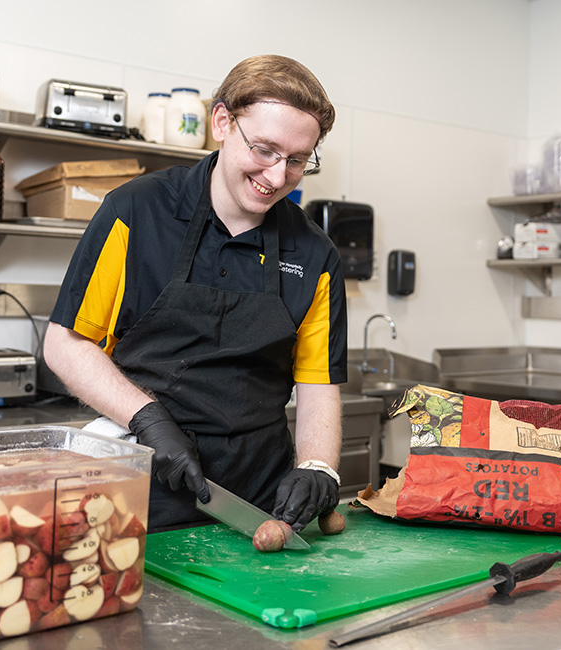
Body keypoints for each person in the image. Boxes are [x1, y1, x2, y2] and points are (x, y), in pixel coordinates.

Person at [44, 54, 348, 534]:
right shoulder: (135, 211)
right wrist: (147, 419)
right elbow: (65, 342)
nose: (275, 177)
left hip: (255, 502)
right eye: (265, 150)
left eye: (295, 161)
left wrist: (317, 467)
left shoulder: (315, 254)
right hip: (136, 482)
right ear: (222, 122)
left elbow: (318, 385)